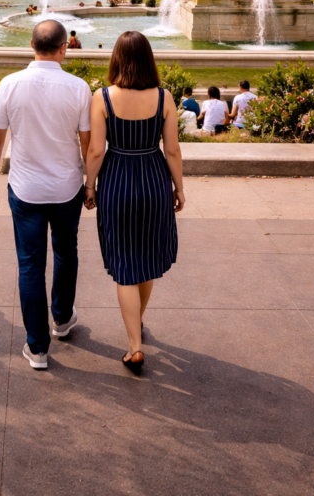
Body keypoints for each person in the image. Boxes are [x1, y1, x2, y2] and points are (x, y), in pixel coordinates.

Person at [0, 20, 92, 370]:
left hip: (26, 189)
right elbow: (88, 144)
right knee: (65, 252)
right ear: (64, 48)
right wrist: (91, 184)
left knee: (30, 265)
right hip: (66, 188)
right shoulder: (78, 87)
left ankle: (38, 347)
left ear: (31, 44)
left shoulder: (11, 84)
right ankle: (61, 318)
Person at [84, 32, 184, 373]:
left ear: (116, 58)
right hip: (155, 180)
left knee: (125, 264)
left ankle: (134, 346)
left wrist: (89, 184)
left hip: (117, 181)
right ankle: (135, 324)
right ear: (148, 59)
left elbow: (96, 150)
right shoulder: (164, 97)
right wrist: (179, 187)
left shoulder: (103, 97)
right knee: (147, 257)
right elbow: (172, 149)